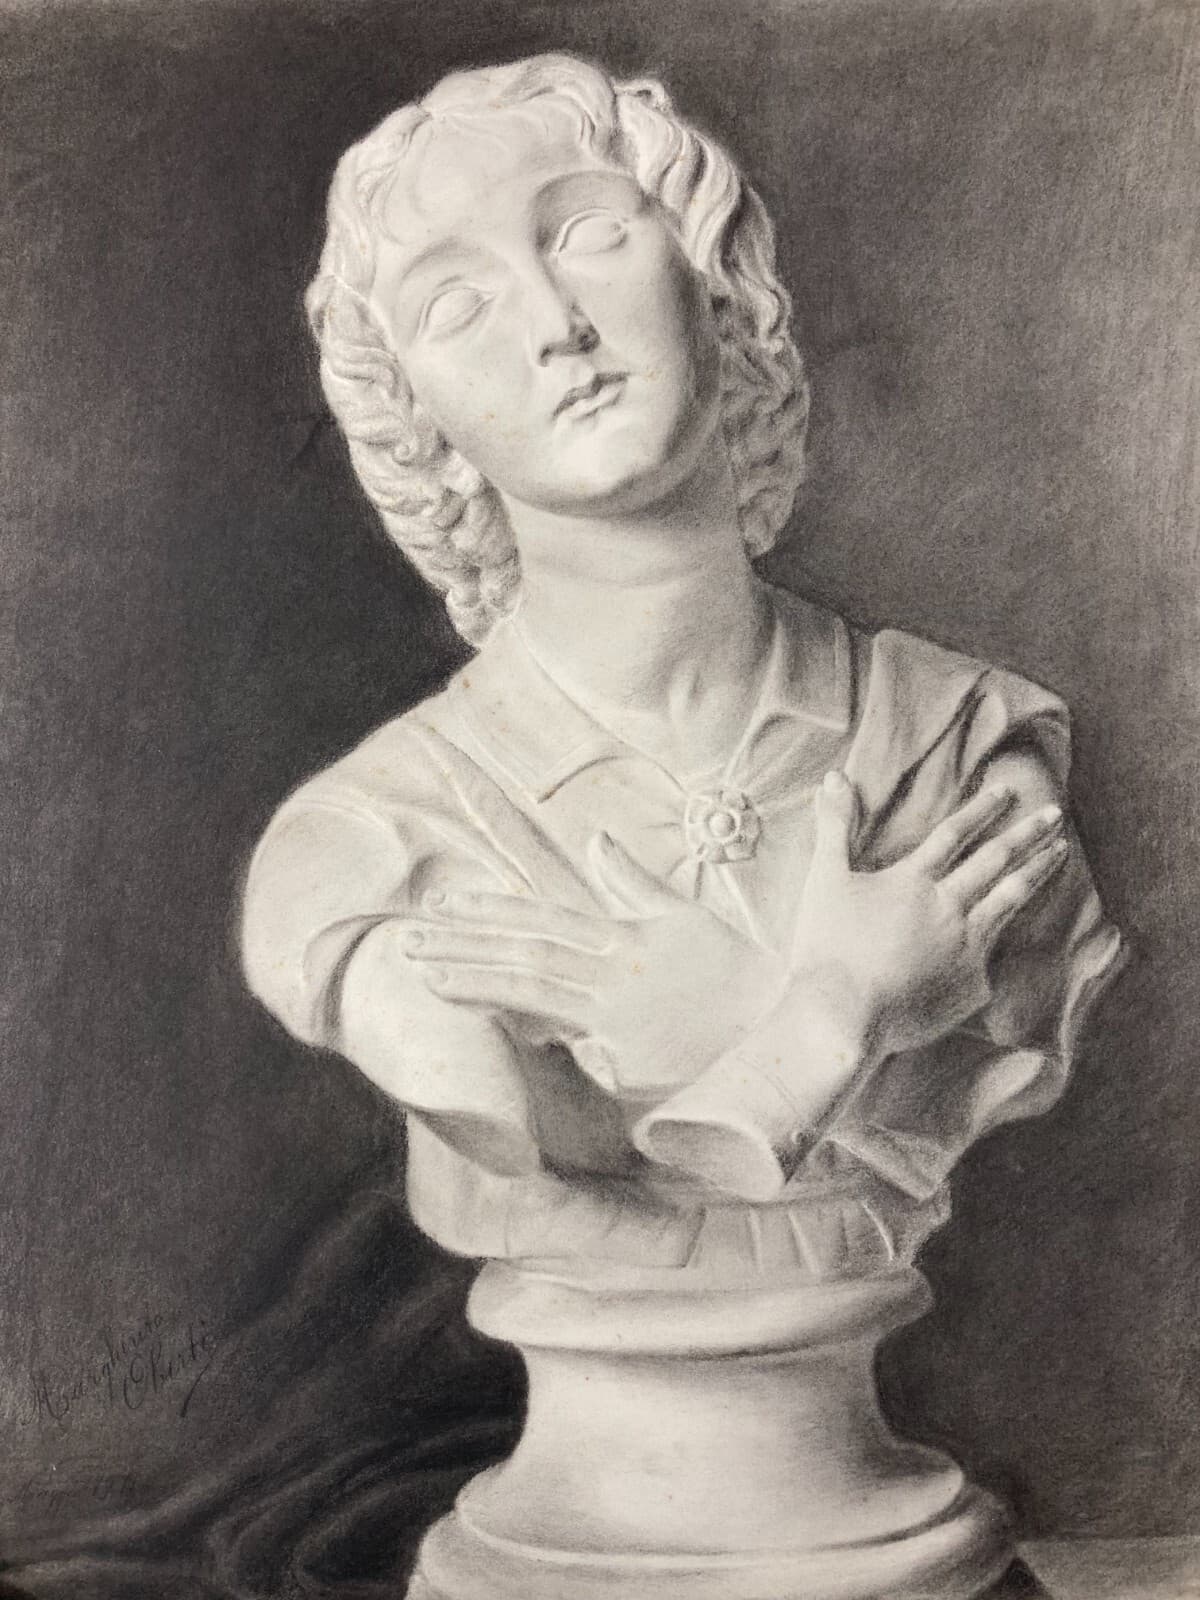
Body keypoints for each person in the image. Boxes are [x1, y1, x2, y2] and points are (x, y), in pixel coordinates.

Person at [242, 54, 1122, 1281]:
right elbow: (486, 1098)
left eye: (589, 233)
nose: (555, 325)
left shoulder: (957, 750)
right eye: (458, 304)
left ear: (712, 279)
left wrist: (763, 1014)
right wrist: (831, 1004)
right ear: (415, 419)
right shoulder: (364, 851)